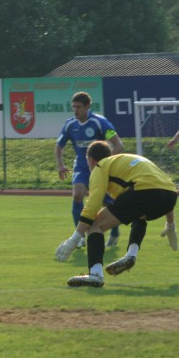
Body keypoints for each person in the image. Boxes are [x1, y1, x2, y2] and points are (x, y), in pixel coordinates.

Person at [55, 141, 178, 287]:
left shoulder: (100, 166)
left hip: (143, 191)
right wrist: (171, 226)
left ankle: (95, 274)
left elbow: (93, 205)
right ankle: (131, 255)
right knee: (139, 215)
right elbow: (159, 187)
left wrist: (74, 238)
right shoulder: (126, 161)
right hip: (171, 195)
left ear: (91, 160)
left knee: (95, 226)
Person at [56, 91, 124, 249]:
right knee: (78, 194)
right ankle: (79, 237)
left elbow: (118, 144)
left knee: (108, 201)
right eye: (73, 107)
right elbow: (59, 146)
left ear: (87, 107)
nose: (75, 110)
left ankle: (114, 232)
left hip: (100, 167)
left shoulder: (100, 122)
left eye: (79, 107)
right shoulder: (70, 124)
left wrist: (105, 165)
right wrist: (60, 165)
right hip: (82, 166)